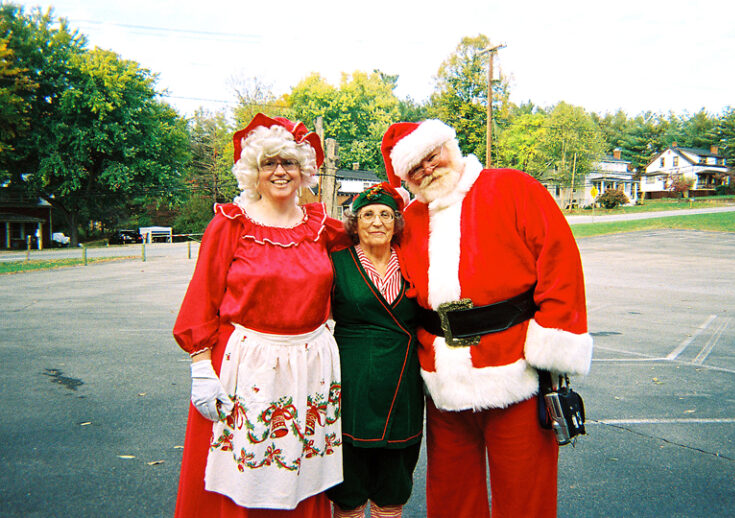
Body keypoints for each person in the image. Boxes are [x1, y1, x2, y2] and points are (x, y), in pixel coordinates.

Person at [380, 119, 594, 518]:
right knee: (451, 494)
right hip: (443, 379)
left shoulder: (512, 187)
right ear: (406, 177)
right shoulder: (410, 219)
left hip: (516, 370)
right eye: (415, 167)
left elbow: (559, 261)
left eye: (432, 156)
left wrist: (552, 344)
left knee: (524, 493)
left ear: (450, 146)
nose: (427, 168)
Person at [173, 113, 351, 518]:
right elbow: (202, 295)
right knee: (237, 478)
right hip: (244, 366)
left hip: (309, 367)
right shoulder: (231, 225)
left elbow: (374, 247)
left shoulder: (323, 228)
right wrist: (200, 365)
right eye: (268, 163)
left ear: (304, 169)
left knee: (300, 474)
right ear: (253, 171)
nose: (279, 171)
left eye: (288, 162)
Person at [325, 183, 423, 518]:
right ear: (354, 224)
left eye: (385, 214)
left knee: (393, 484)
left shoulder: (415, 263)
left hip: (403, 383)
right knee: (348, 489)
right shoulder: (335, 263)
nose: (377, 222)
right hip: (351, 384)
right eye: (367, 215)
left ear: (397, 222)